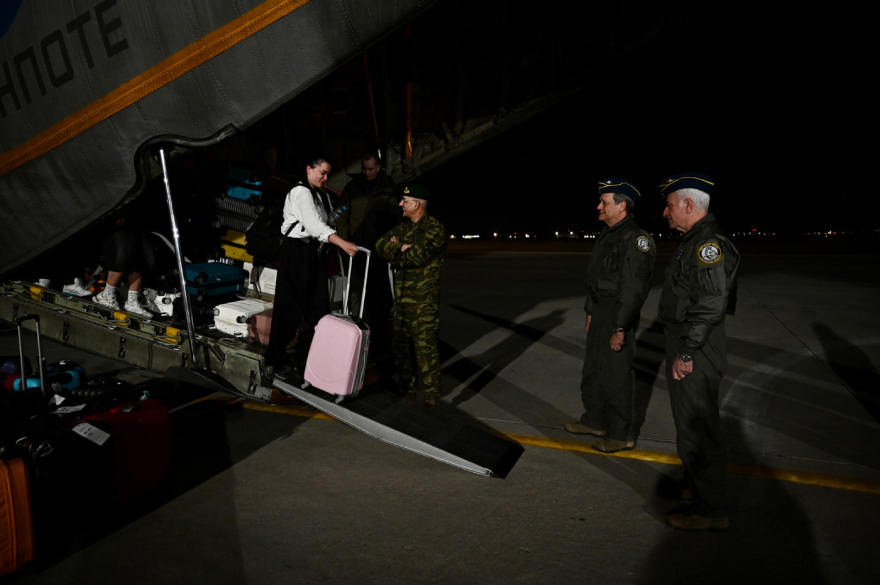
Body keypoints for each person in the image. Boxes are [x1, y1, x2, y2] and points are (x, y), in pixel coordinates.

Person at [658, 172, 740, 531]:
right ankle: (696, 486)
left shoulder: (709, 245)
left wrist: (688, 351)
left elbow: (710, 304)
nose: (666, 212)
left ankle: (710, 510)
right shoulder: (693, 240)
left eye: (670, 205)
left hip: (697, 344)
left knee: (699, 427)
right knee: (690, 422)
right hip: (689, 339)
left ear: (688, 205)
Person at [564, 178, 656, 453]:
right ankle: (594, 420)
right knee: (593, 370)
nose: (598, 207)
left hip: (618, 314)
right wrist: (591, 312)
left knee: (615, 376)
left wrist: (619, 326)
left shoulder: (635, 239)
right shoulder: (609, 233)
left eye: (604, 202)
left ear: (622, 205)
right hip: (601, 311)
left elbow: (633, 290)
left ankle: (620, 434)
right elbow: (596, 277)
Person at [266, 155, 359, 380]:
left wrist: (332, 221)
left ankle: (323, 358)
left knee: (319, 308)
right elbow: (316, 227)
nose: (326, 178)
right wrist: (342, 243)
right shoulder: (300, 192)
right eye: (322, 173)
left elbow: (323, 222)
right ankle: (274, 358)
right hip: (296, 251)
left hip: (313, 253)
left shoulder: (320, 194)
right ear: (309, 169)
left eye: (328, 174)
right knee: (290, 307)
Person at [375, 185, 445, 407]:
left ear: (417, 203)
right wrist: (400, 248)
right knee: (402, 349)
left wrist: (398, 252)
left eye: (404, 200)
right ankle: (408, 392)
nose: (400, 204)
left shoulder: (434, 229)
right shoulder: (403, 228)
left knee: (426, 351)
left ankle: (432, 398)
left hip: (424, 303)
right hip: (402, 302)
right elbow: (379, 245)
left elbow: (416, 257)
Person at [334, 152, 399, 374]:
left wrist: (387, 244)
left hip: (378, 254)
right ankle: (355, 338)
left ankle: (380, 343)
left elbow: (395, 220)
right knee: (354, 296)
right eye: (364, 168)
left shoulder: (389, 189)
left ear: (378, 167)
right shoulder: (353, 187)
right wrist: (344, 241)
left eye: (370, 169)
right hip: (355, 251)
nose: (366, 173)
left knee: (378, 297)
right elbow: (342, 212)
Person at [93, 213, 157, 318]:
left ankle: (132, 302)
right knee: (123, 255)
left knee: (143, 259)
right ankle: (106, 295)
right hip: (124, 215)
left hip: (141, 214)